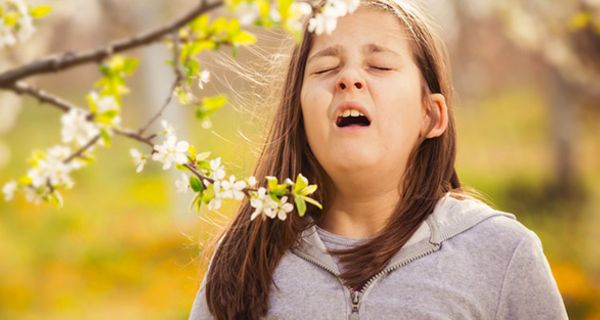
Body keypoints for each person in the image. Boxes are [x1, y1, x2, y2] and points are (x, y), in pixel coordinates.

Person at [189, 0, 568, 319]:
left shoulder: (501, 254)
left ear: (430, 116)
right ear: (299, 114)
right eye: (325, 69)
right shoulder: (244, 258)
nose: (349, 78)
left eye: (380, 66)